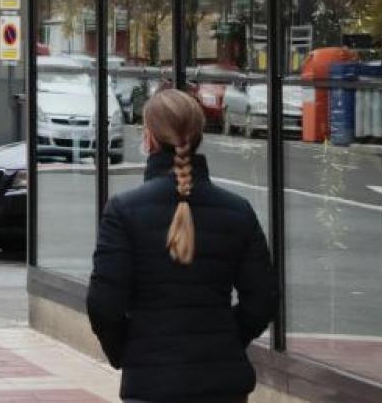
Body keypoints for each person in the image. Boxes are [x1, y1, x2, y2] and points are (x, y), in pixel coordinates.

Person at [87, 89, 277, 403]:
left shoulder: (123, 211)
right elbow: (264, 299)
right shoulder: (237, 211)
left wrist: (130, 350)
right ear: (198, 136)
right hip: (223, 384)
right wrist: (226, 339)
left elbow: (104, 304)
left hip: (151, 382)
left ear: (149, 139)